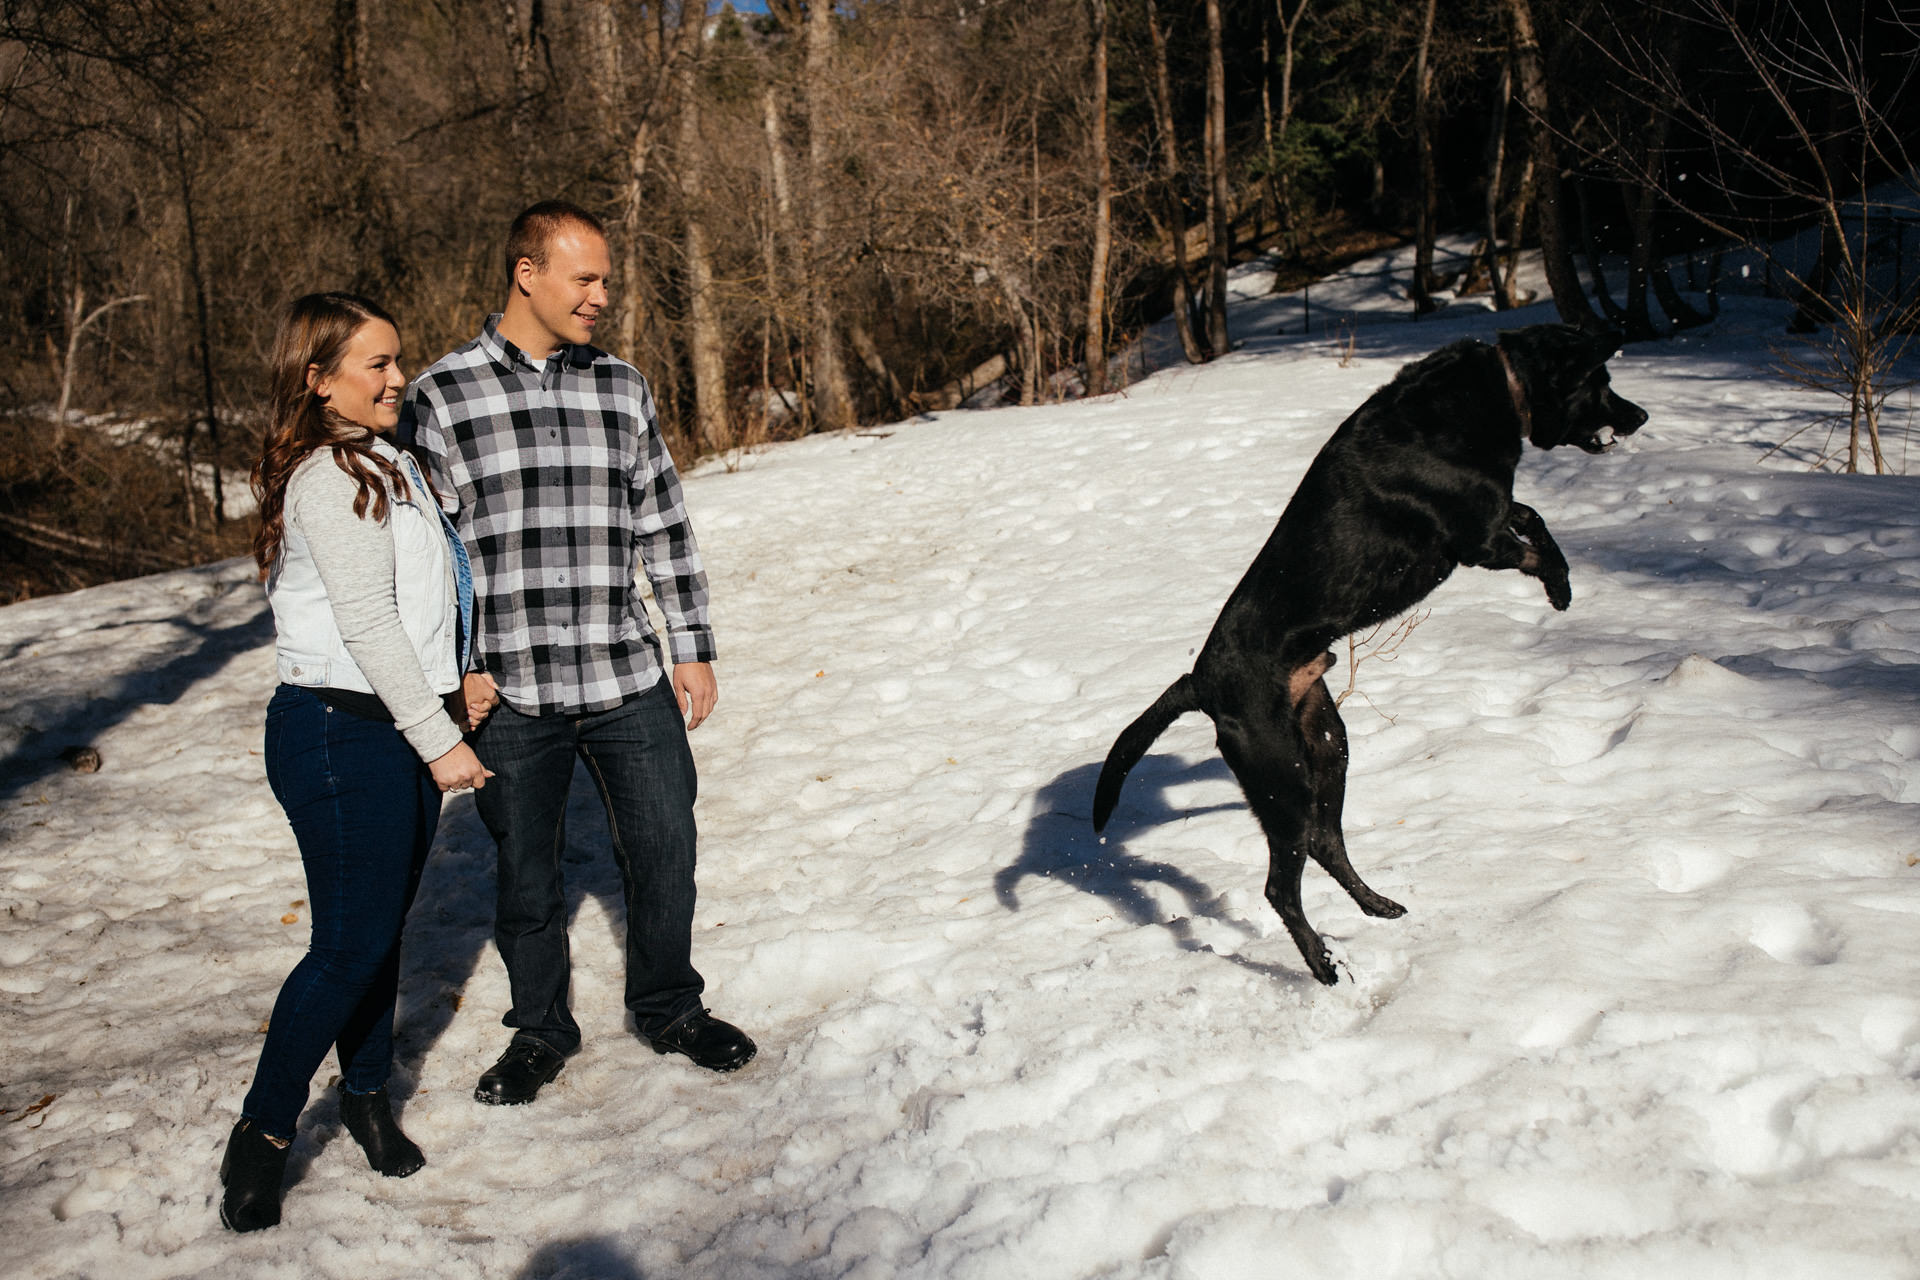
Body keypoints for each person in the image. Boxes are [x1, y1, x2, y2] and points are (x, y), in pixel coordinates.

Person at [405, 200, 755, 1107]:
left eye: (607, 278)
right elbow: (426, 557)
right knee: (526, 876)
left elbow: (663, 522)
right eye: (585, 278)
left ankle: (671, 1008)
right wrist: (456, 670)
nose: (602, 296)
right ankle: (541, 1030)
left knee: (665, 846)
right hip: (511, 688)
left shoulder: (622, 386)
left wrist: (692, 644)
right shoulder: (441, 397)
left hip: (623, 671)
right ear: (529, 274)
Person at [221, 292, 494, 1232]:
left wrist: (459, 682)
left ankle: (368, 1097)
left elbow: (423, 599)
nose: (396, 378)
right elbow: (366, 622)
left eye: (396, 360)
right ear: (317, 379)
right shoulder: (327, 479)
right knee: (346, 948)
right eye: (374, 364)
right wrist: (443, 736)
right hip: (339, 732)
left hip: (400, 721)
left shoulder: (389, 462)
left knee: (377, 932)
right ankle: (261, 1135)